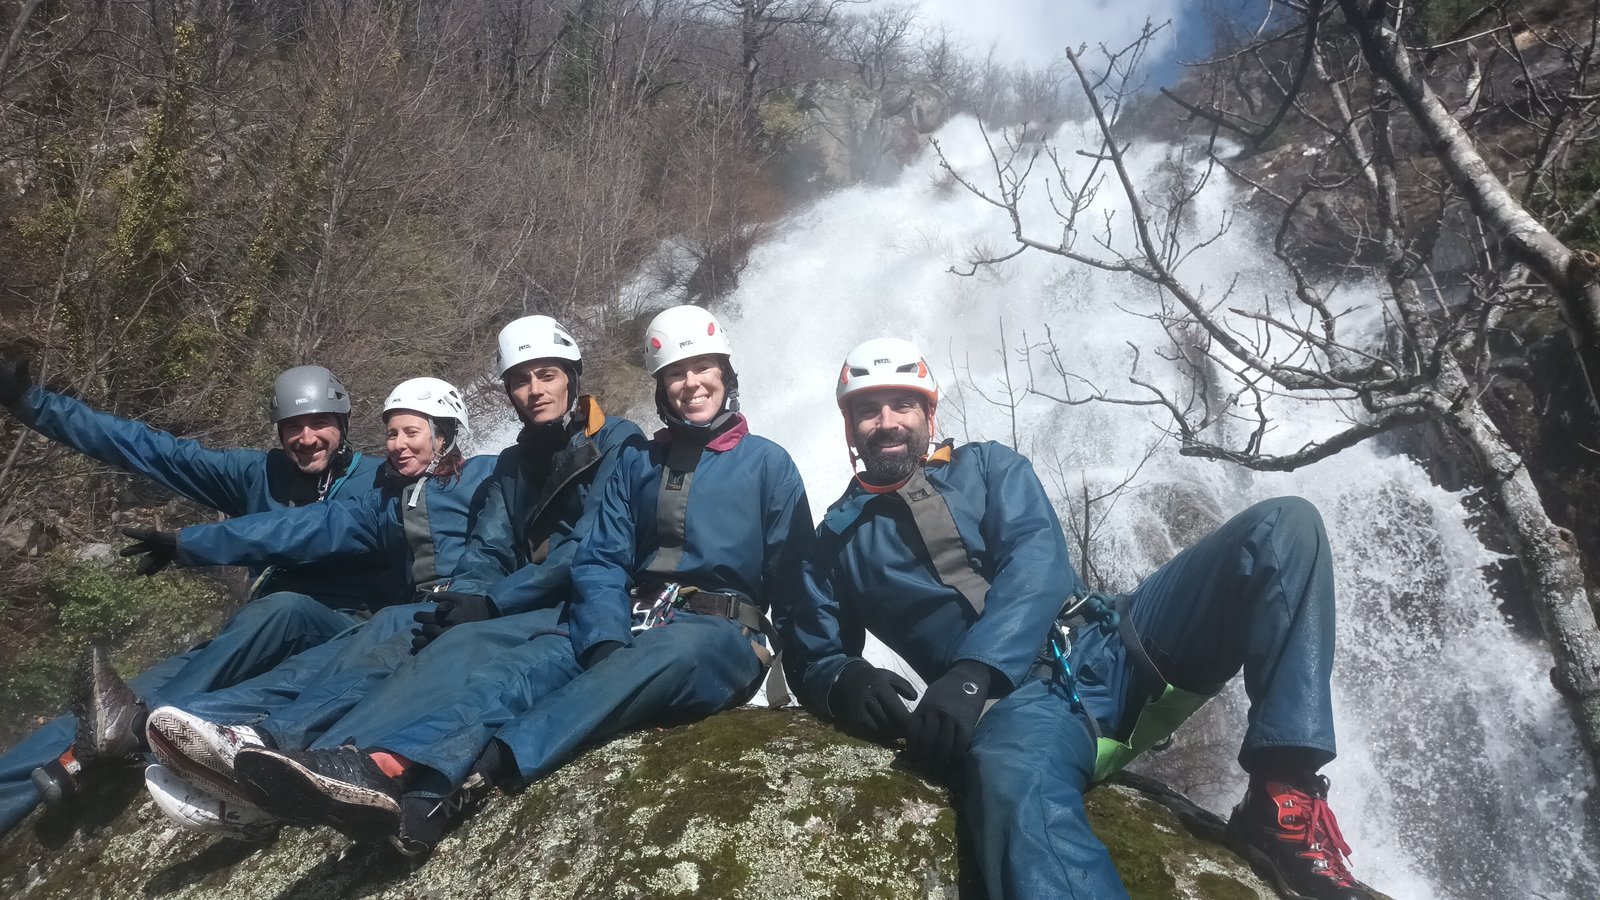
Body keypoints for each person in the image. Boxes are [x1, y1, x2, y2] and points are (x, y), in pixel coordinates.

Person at [784, 338, 1373, 900]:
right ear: (847, 426)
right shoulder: (834, 542)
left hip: (1118, 644)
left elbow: (1036, 560)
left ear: (929, 416)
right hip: (1019, 710)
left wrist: (972, 670)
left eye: (903, 403)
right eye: (867, 409)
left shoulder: (990, 466)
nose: (887, 421)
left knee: (1282, 526)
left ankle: (1283, 792)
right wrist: (844, 681)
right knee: (1011, 785)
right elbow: (815, 652)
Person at [228, 305, 811, 856]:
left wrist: (817, 682)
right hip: (632, 618)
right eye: (675, 374)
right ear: (661, 387)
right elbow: (602, 557)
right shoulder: (640, 463)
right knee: (510, 660)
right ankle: (375, 763)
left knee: (677, 646)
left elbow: (795, 582)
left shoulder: (768, 462)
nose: (691, 383)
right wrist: (602, 637)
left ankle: (481, 772)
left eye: (702, 368)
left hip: (717, 635)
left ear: (725, 374)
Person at [139, 315, 645, 844]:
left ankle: (287, 748)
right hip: (503, 600)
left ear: (573, 375)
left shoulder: (615, 442)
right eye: (521, 379)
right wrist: (466, 598)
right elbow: (489, 545)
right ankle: (256, 740)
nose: (534, 389)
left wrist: (490, 604)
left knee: (414, 639)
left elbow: (593, 547)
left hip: (579, 601)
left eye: (547, 375)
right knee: (393, 627)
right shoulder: (513, 463)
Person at [0, 361, 388, 836]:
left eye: (318, 423)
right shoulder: (258, 475)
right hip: (252, 635)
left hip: (337, 630)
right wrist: (30, 404)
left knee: (284, 608)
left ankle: (129, 732)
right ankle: (68, 756)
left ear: (343, 423)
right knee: (100, 707)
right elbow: (153, 451)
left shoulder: (381, 481)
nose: (306, 438)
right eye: (292, 426)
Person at [108, 376, 494, 837]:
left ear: (445, 435)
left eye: (412, 433)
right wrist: (189, 542)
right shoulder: (387, 502)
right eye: (392, 434)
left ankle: (260, 747)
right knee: (314, 666)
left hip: (461, 615)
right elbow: (297, 527)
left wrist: (492, 595)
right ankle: (198, 727)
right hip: (413, 616)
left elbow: (509, 537)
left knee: (361, 662)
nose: (398, 445)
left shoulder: (485, 475)